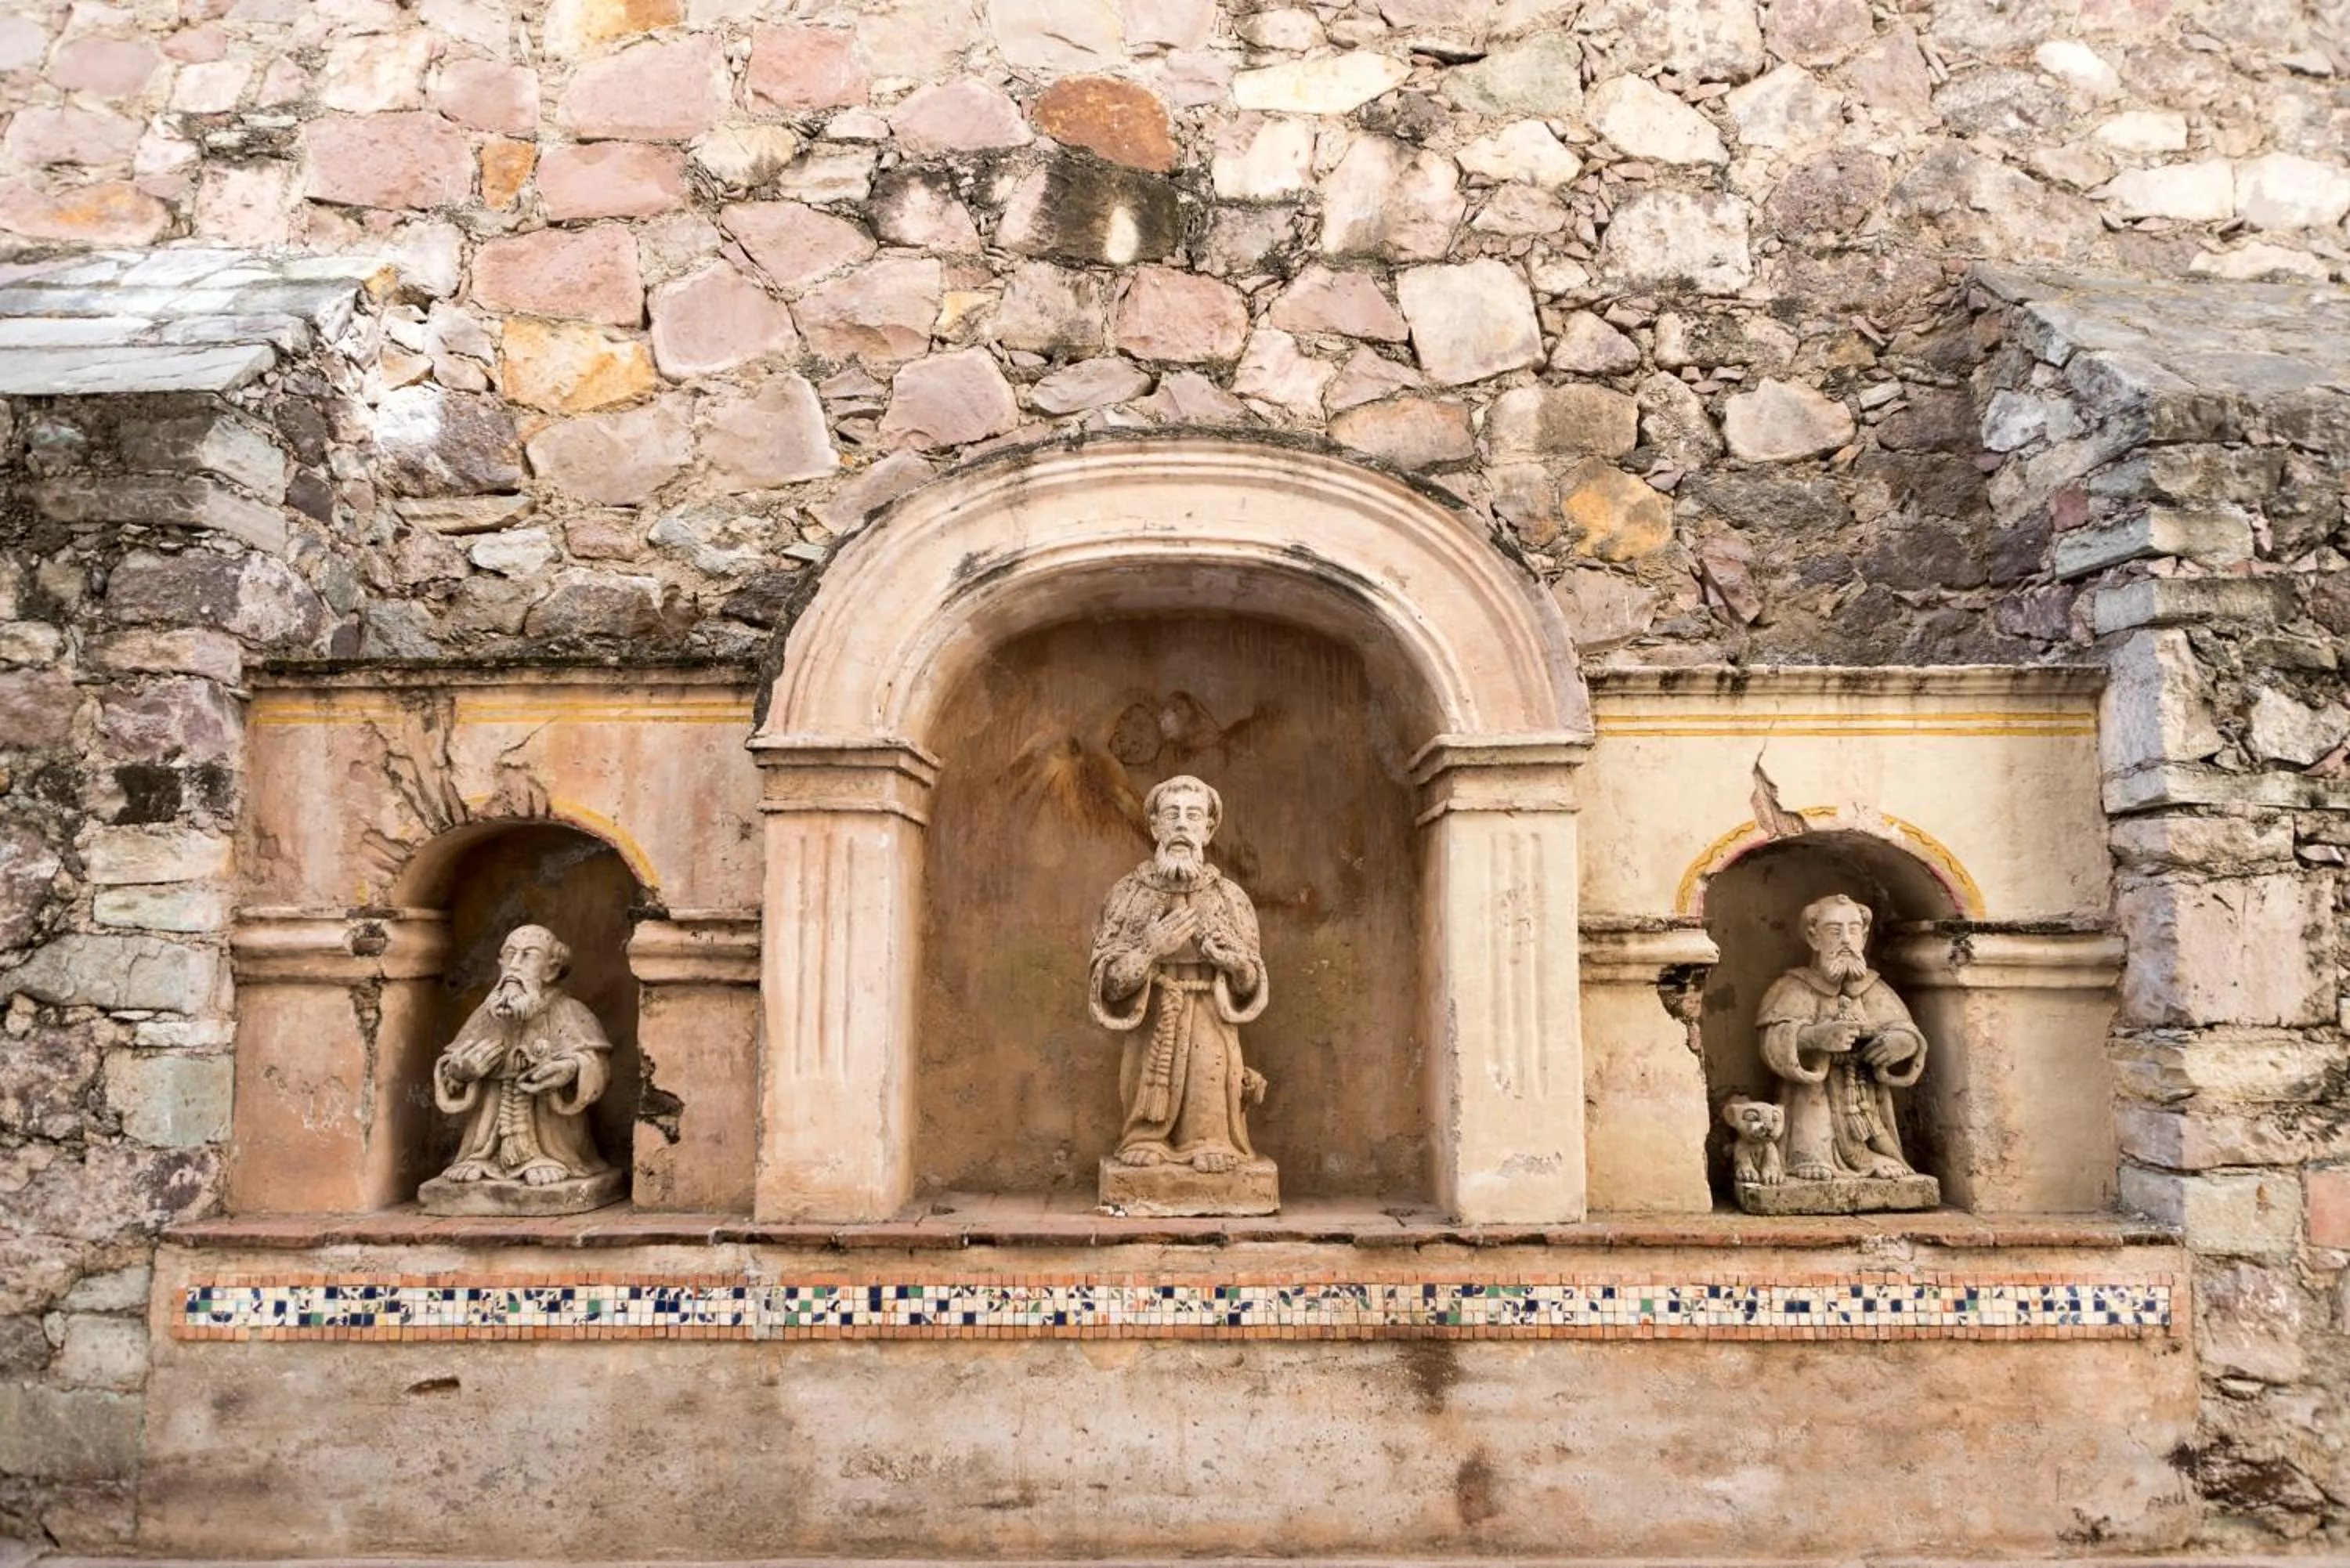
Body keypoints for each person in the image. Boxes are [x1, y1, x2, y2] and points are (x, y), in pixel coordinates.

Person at [1089, 775, 1269, 1175]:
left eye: (1193, 815)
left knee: (1210, 1072)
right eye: (1172, 815)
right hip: (1153, 1017)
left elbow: (1251, 982)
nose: (1182, 825)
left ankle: (1210, 1138)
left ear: (1208, 828)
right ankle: (1146, 1136)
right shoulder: (1128, 894)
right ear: (1155, 826)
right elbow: (1109, 984)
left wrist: (1234, 964)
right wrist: (1149, 949)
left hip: (1211, 1018)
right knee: (1148, 1092)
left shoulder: (1229, 897)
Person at [1755, 894, 1926, 1183]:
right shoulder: (1794, 987)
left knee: (1869, 1123)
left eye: (1854, 929)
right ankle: (1807, 1157)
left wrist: (1902, 1043)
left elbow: (1905, 1029)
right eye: (1835, 931)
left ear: (1865, 935)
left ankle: (1873, 1157)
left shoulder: (1875, 988)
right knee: (1813, 1109)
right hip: (1814, 1088)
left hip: (1863, 1088)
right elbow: (1772, 1039)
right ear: (1813, 937)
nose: (1846, 939)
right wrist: (1812, 1038)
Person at [432, 923, 613, 1188]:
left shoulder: (570, 1012)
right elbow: (451, 1065)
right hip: (484, 1136)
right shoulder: (485, 1015)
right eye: (509, 954)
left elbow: (598, 1067)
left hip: (554, 1136)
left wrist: (570, 1070)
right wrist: (461, 1070)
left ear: (551, 969)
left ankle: (543, 1157)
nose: (515, 964)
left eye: (529, 955)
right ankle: (484, 1159)